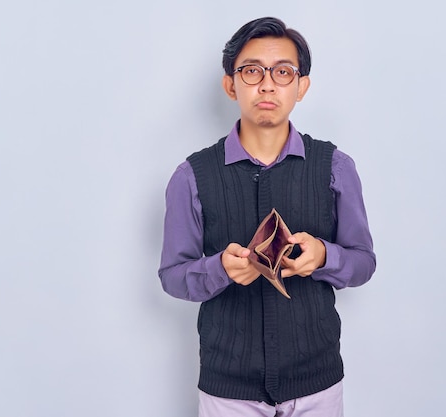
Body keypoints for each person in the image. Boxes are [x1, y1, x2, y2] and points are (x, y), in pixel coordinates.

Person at [158, 16, 376, 417]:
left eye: (283, 72)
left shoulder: (336, 167)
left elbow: (364, 262)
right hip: (229, 388)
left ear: (301, 86)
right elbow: (172, 275)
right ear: (230, 84)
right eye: (252, 70)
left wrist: (325, 257)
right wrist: (218, 269)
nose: (267, 84)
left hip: (317, 382)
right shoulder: (191, 176)